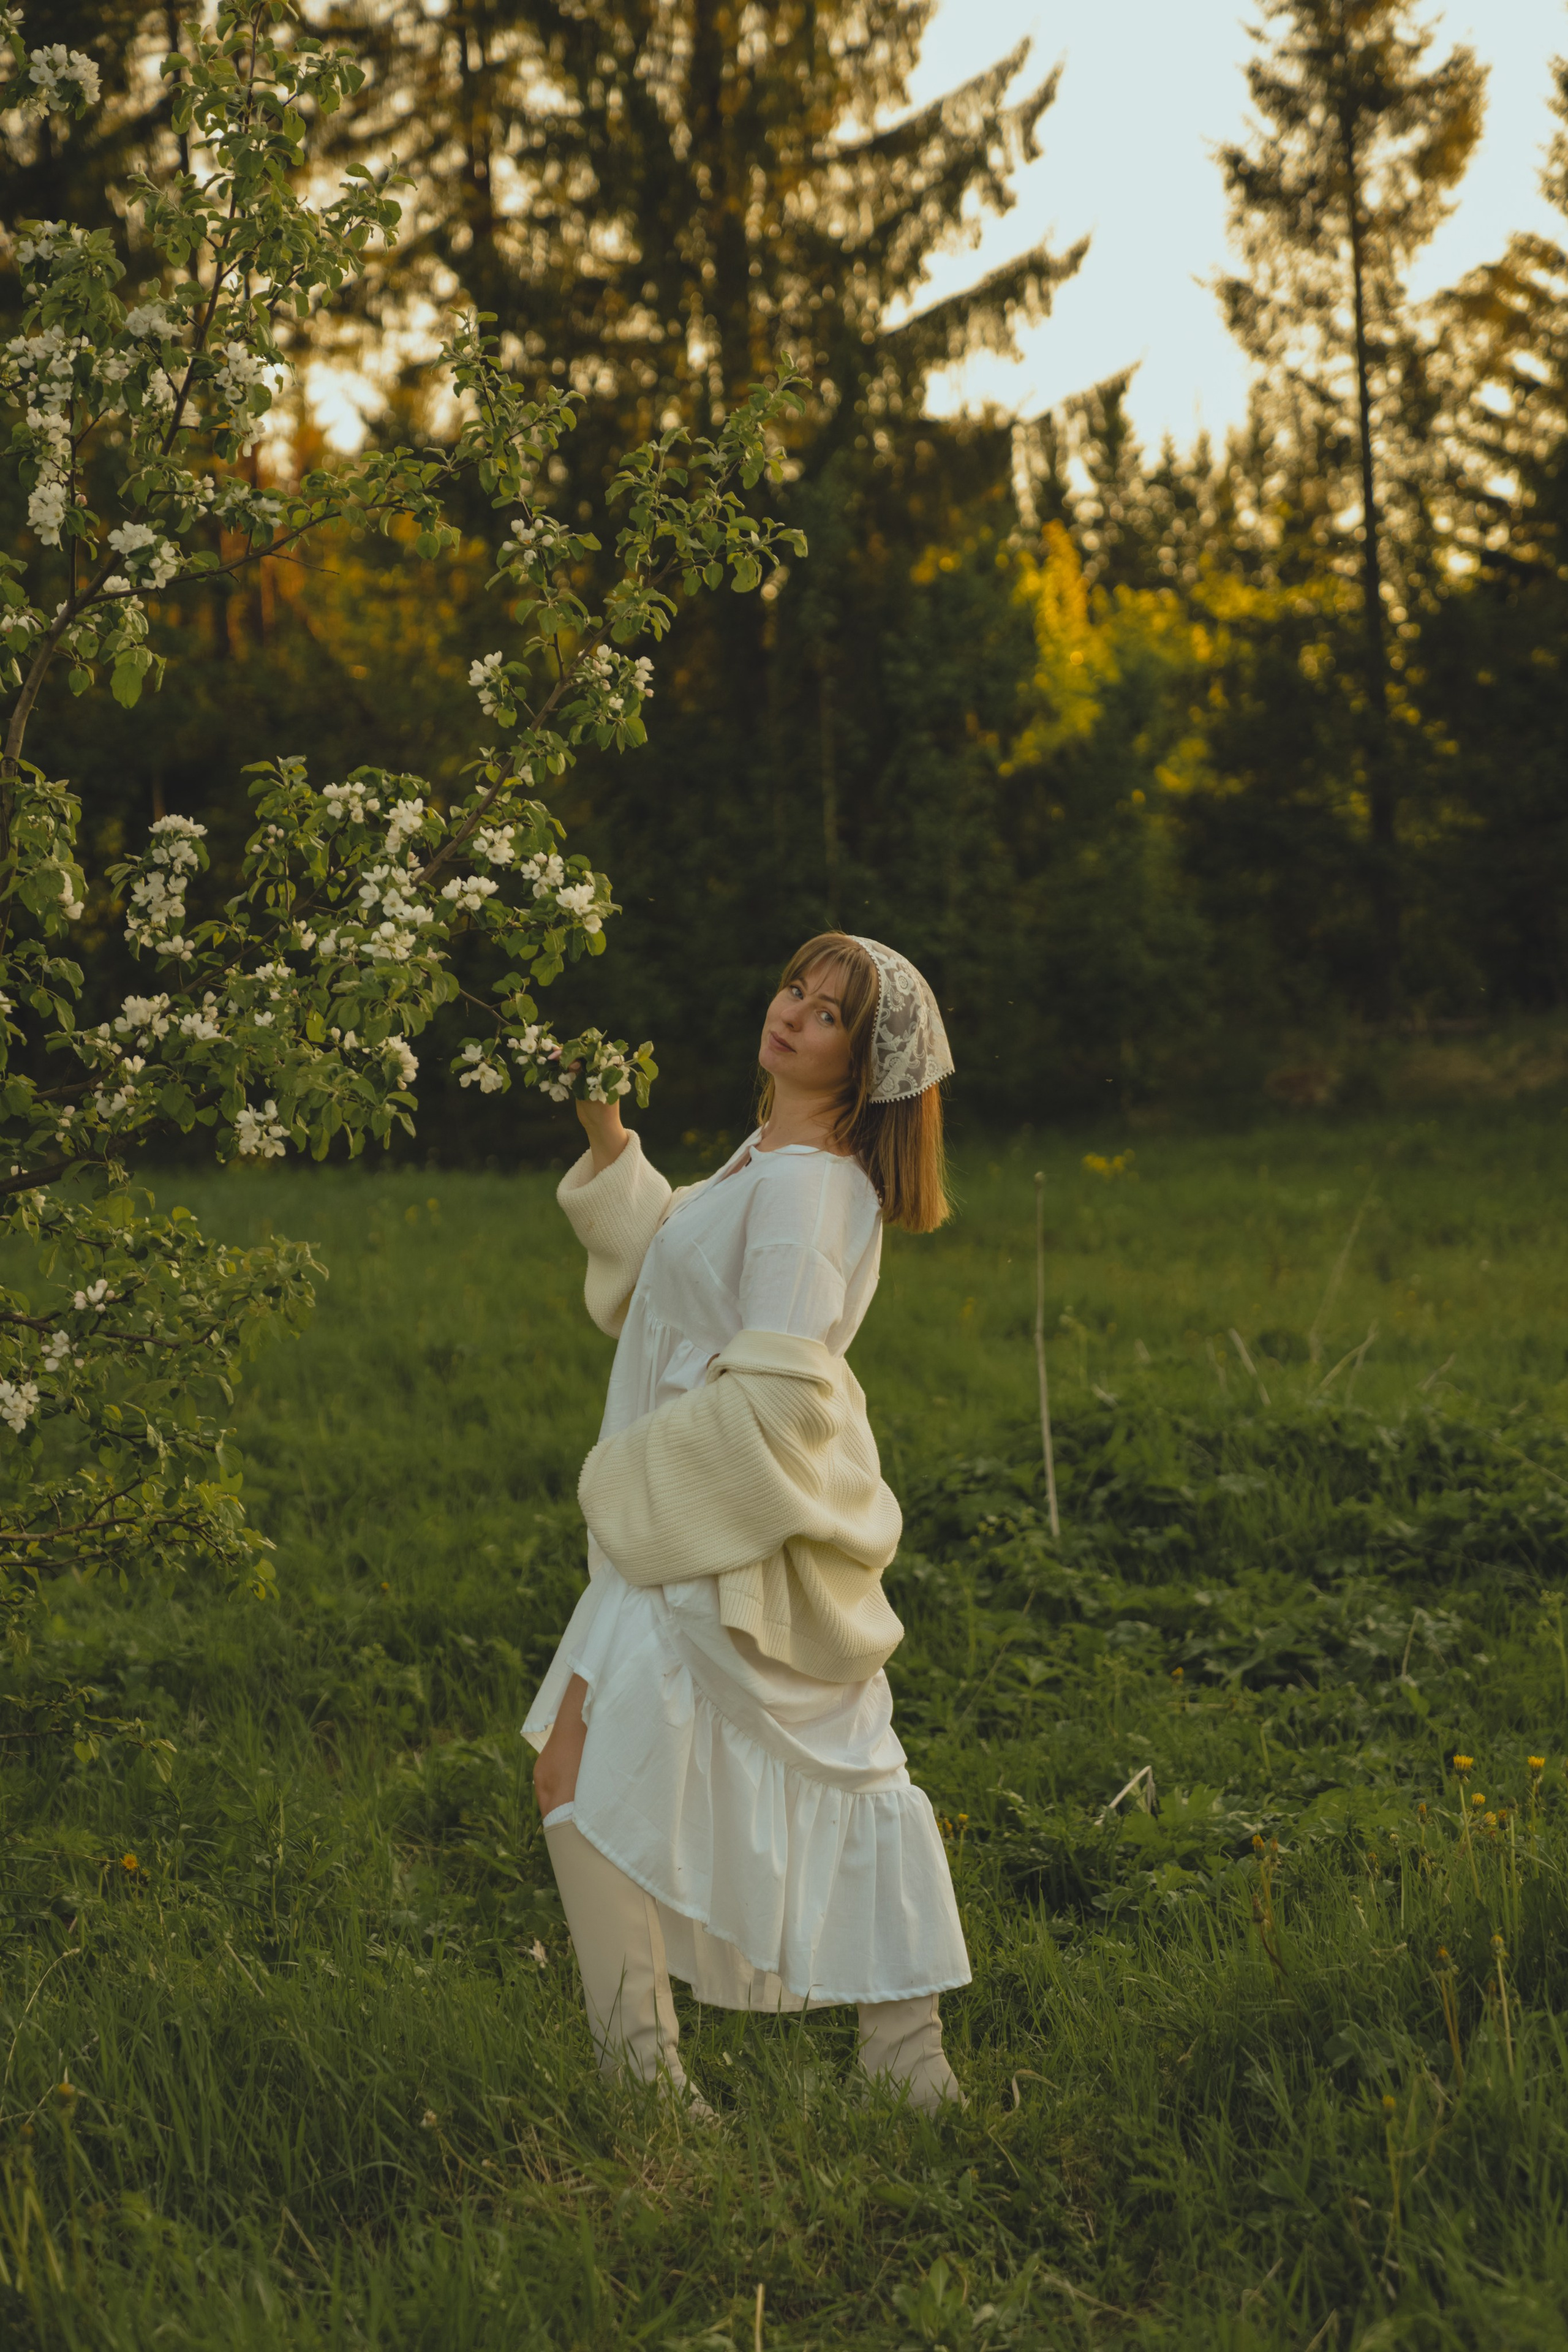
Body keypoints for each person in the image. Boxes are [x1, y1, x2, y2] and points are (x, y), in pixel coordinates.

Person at [525, 932, 970, 2113]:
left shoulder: (812, 1185)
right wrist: (612, 1142)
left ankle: (842, 2065)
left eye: (828, 1016)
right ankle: (858, 2059)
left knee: (630, 1769)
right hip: (679, 1508)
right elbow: (681, 1278)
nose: (793, 1016)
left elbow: (780, 1392)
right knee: (604, 1771)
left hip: (715, 1519)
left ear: (861, 1063)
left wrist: (642, 1490)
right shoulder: (766, 1157)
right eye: (793, 990)